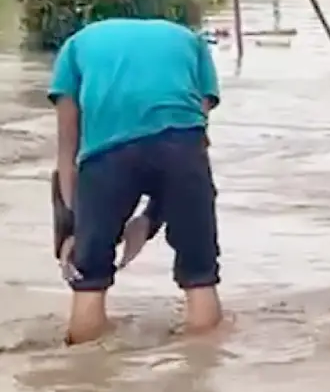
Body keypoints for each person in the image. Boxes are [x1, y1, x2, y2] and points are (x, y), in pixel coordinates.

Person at [50, 18, 222, 344]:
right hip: (183, 151)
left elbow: (68, 153)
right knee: (200, 275)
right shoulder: (191, 41)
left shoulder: (74, 46)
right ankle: (204, 369)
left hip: (104, 159)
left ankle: (82, 375)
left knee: (89, 277)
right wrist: (151, 219)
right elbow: (188, 137)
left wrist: (74, 231)